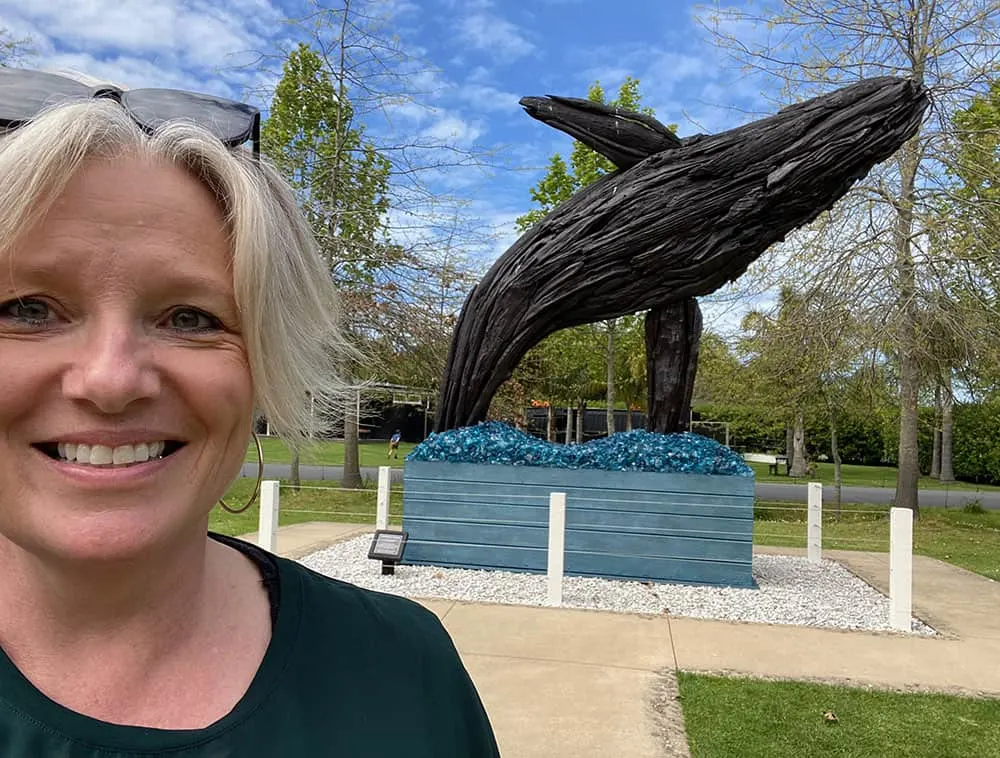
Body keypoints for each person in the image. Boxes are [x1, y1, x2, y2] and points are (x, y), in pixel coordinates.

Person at [0, 68, 500, 757]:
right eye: (27, 309)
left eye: (190, 317)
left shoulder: (406, 676)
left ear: (263, 362)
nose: (111, 380)